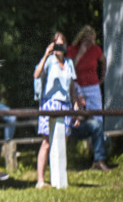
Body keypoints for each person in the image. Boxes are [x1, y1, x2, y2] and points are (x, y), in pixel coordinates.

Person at [33, 31, 79, 188]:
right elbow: (36, 75)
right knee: (46, 142)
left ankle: (59, 179)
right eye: (56, 44)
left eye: (62, 44)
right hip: (49, 103)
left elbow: (72, 87)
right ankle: (40, 180)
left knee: (61, 142)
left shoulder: (69, 63)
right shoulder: (49, 61)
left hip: (65, 104)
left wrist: (76, 106)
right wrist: (46, 54)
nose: (59, 48)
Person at [67, 25, 110, 171]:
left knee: (97, 118)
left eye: (93, 39)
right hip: (77, 86)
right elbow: (70, 69)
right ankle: (73, 157)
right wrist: (81, 52)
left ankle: (98, 158)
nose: (91, 43)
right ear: (82, 38)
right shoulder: (72, 50)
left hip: (92, 87)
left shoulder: (96, 50)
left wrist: (102, 78)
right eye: (88, 39)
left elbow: (103, 61)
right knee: (78, 117)